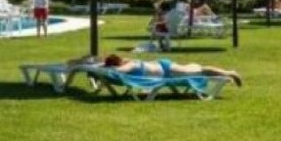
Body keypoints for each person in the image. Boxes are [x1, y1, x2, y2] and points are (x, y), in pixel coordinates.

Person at [102, 53, 242, 87]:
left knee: (201, 71)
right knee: (194, 68)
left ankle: (230, 73)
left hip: (166, 69)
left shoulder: (129, 65)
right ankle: (223, 76)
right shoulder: (128, 62)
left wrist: (109, 69)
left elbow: (119, 71)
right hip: (164, 68)